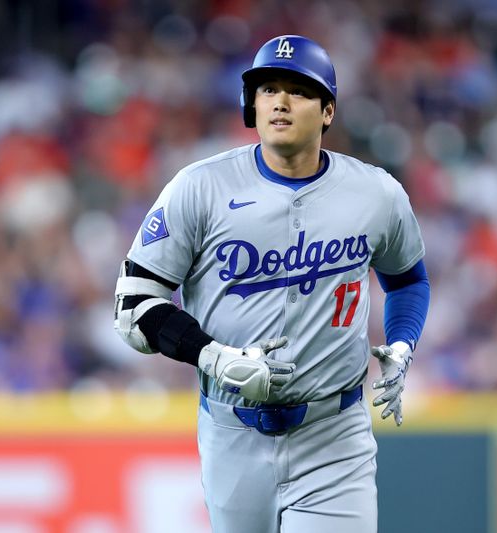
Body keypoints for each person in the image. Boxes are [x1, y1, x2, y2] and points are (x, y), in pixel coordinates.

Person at [114, 34, 430, 533]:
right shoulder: (200, 187)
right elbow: (133, 305)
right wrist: (210, 354)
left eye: (298, 91)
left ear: (328, 111)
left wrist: (403, 342)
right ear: (250, 104)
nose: (280, 101)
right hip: (232, 434)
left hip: (334, 433)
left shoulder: (376, 193)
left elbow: (408, 279)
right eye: (267, 89)